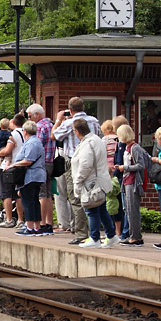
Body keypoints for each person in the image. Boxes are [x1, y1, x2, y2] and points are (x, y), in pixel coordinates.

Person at [51, 97, 101, 245]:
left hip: (74, 161)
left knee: (75, 197)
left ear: (70, 110)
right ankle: (96, 232)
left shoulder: (68, 123)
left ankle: (81, 233)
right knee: (93, 196)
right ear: (83, 106)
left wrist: (58, 120)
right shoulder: (94, 121)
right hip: (93, 162)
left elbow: (54, 135)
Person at [71, 118, 119, 248]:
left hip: (91, 182)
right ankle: (111, 235)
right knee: (102, 209)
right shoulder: (96, 139)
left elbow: (85, 165)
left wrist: (78, 180)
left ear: (77, 131)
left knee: (90, 209)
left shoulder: (88, 143)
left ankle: (94, 238)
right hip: (100, 180)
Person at [10, 120, 46, 236]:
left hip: (31, 176)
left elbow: (29, 160)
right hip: (37, 175)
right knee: (34, 200)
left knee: (28, 201)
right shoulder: (36, 141)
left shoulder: (31, 143)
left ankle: (30, 227)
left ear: (25, 131)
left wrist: (14, 164)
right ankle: (36, 226)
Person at [115, 124, 147, 246]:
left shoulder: (135, 148)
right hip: (127, 181)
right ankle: (133, 235)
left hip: (133, 182)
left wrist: (125, 167)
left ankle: (136, 237)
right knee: (128, 210)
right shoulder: (128, 148)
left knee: (132, 210)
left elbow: (140, 165)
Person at [26, 104, 55, 235]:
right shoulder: (50, 124)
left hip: (41, 165)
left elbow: (36, 147)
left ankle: (42, 223)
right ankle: (49, 223)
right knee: (48, 194)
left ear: (37, 114)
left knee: (42, 194)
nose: (29, 119)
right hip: (50, 162)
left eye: (30, 116)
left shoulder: (39, 127)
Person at [0, 113, 27, 229]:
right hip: (21, 166)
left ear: (13, 123)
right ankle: (20, 219)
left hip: (8, 167)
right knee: (18, 194)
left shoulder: (12, 134)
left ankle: (9, 219)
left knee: (6, 194)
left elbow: (8, 150)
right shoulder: (26, 133)